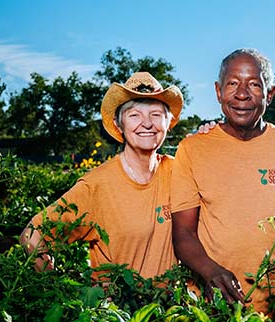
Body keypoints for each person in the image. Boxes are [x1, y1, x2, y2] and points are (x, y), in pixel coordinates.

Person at [171, 48, 275, 317]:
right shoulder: (192, 149)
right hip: (214, 310)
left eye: (254, 84)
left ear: (270, 94)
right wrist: (210, 271)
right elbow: (183, 233)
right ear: (218, 92)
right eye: (232, 84)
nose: (242, 94)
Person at [20, 72, 184, 281]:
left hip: (172, 310)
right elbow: (31, 236)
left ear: (167, 122)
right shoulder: (97, 185)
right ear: (119, 124)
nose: (147, 123)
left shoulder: (177, 170)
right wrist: (58, 292)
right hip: (120, 311)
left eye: (155, 114)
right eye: (134, 115)